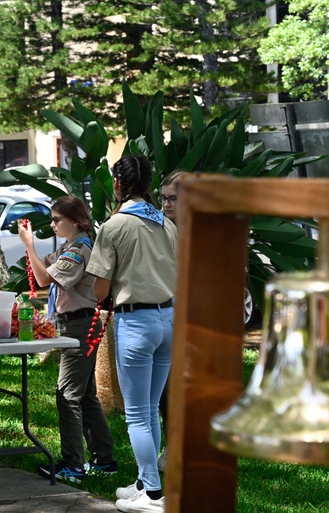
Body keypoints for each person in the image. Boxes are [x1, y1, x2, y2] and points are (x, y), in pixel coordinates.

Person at [87, 155, 177, 513]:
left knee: (138, 414)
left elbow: (99, 290)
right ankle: (144, 482)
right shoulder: (167, 224)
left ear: (117, 185)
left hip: (136, 322)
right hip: (167, 319)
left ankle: (153, 494)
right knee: (150, 408)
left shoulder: (115, 226)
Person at [19, 195, 115, 483]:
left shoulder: (79, 249)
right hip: (78, 323)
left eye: (57, 220)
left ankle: (73, 465)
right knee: (85, 395)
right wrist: (33, 250)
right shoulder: (71, 246)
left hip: (80, 325)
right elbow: (44, 269)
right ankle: (104, 458)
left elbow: (45, 278)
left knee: (68, 395)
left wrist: (29, 246)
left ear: (74, 220)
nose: (53, 225)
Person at [155, 169, 186, 472]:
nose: (166, 204)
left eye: (173, 199)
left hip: (190, 321)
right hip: (164, 316)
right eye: (163, 198)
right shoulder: (161, 229)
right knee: (165, 388)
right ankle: (172, 446)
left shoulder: (200, 232)